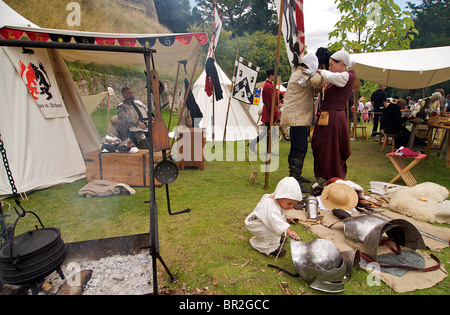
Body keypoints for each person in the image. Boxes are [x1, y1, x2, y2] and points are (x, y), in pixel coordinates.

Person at [281, 53, 324, 194]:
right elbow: (317, 81)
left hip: (298, 118)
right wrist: (323, 73)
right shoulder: (302, 75)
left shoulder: (301, 74)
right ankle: (295, 178)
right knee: (300, 149)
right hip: (296, 118)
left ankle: (294, 177)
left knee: (296, 148)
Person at [311, 50, 356, 181]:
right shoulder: (340, 77)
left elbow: (331, 76)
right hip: (328, 115)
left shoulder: (348, 76)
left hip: (335, 117)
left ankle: (331, 176)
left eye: (331, 65)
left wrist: (319, 71)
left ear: (341, 62)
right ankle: (323, 175)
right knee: (321, 146)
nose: (330, 67)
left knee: (331, 148)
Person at [245, 177, 302, 257]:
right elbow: (276, 222)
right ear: (280, 196)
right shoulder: (270, 207)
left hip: (263, 221)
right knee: (270, 233)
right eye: (289, 204)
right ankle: (271, 248)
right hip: (256, 224)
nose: (291, 207)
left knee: (275, 230)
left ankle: (277, 238)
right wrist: (288, 231)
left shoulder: (276, 199)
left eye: (293, 204)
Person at [249, 68, 281, 155]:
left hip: (268, 110)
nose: (276, 77)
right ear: (271, 76)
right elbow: (271, 103)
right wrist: (277, 115)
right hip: (269, 111)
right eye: (275, 75)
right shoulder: (269, 86)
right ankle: (266, 151)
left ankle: (260, 147)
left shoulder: (268, 85)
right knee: (269, 132)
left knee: (267, 132)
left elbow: (273, 100)